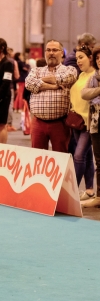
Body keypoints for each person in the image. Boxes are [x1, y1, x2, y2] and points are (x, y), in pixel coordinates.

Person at [25, 40, 77, 152]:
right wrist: (54, 86)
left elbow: (63, 79)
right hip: (38, 122)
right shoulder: (36, 70)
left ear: (62, 53)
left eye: (55, 50)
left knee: (60, 159)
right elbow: (28, 83)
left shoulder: (70, 70)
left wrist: (39, 82)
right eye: (48, 50)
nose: (51, 53)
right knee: (37, 158)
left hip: (60, 123)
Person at [69, 46, 96, 200]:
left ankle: (72, 192)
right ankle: (90, 190)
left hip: (88, 122)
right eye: (77, 58)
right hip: (77, 121)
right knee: (85, 155)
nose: (78, 61)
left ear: (90, 58)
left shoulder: (95, 75)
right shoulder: (81, 75)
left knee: (79, 156)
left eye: (81, 57)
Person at [81, 46, 100, 207]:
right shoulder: (94, 77)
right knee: (98, 162)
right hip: (95, 124)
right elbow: (84, 93)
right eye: (98, 58)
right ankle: (99, 197)